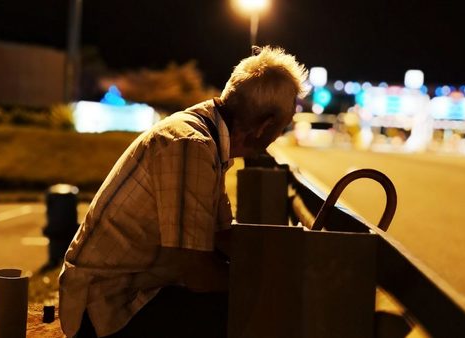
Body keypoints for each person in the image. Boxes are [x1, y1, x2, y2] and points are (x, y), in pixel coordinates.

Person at [59, 45, 308, 338]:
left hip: (127, 289)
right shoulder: (191, 145)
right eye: (283, 124)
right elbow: (196, 271)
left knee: (244, 301)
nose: (279, 134)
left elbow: (221, 235)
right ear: (264, 125)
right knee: (245, 310)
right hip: (106, 308)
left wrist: (279, 260)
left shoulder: (208, 137)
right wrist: (267, 285)